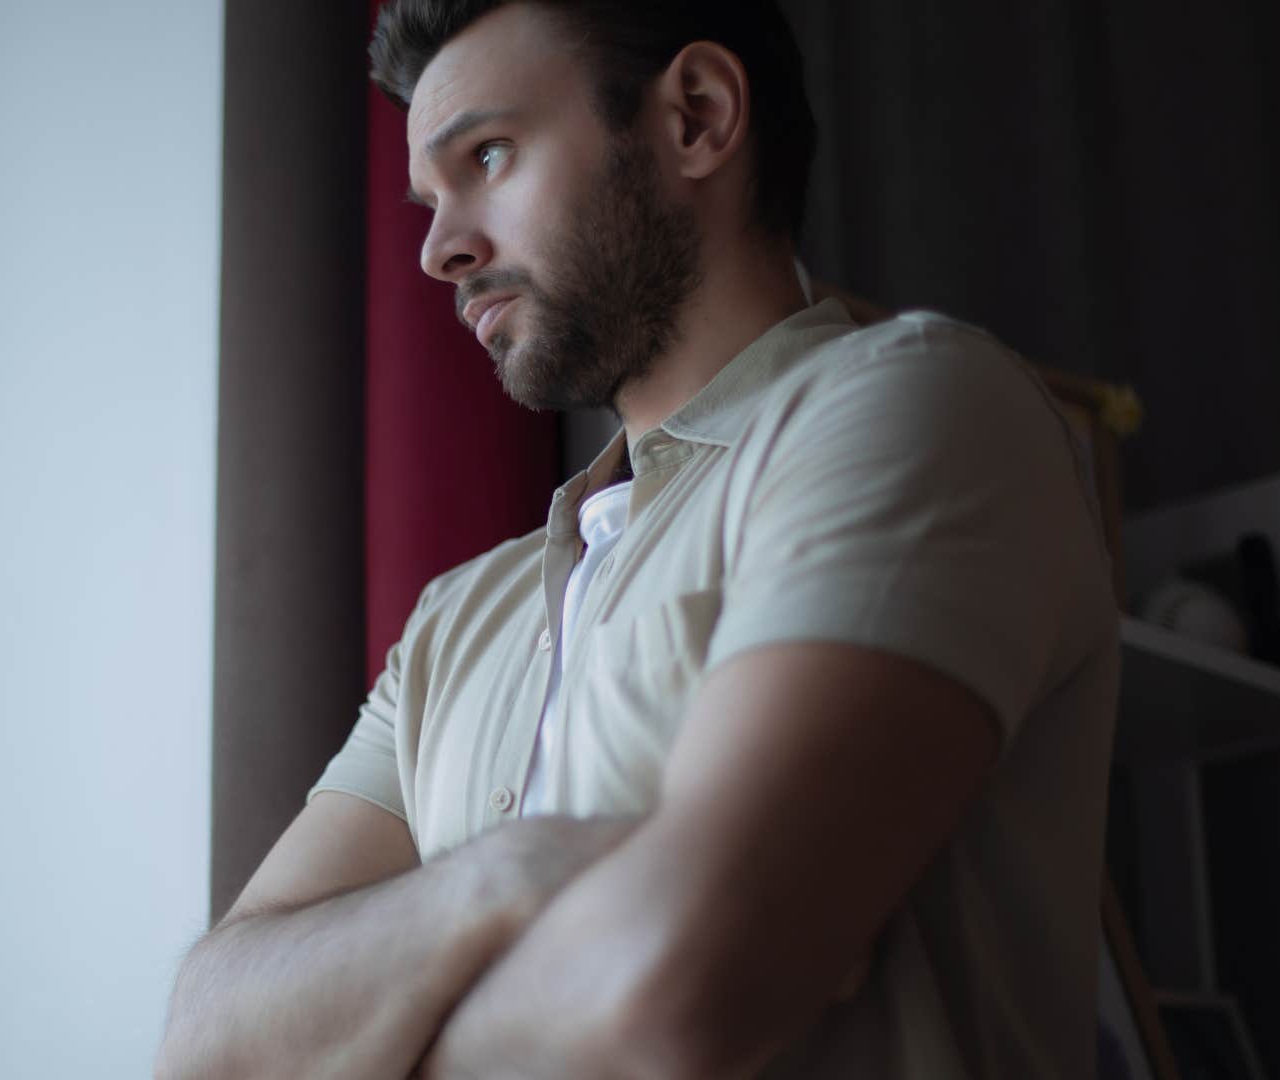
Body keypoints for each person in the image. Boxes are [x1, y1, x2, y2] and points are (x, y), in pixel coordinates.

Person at [155, 2, 1120, 1076]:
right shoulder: (457, 618)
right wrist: (504, 877)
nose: (438, 249)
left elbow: (681, 990)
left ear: (698, 118)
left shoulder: (918, 404)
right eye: (429, 199)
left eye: (487, 154)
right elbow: (209, 1039)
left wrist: (361, 1029)